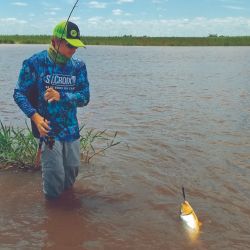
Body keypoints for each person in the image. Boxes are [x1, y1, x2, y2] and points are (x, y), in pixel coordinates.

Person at [13, 20, 90, 199]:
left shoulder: (78, 66)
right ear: (54, 41)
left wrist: (61, 95)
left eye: (76, 46)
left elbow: (85, 97)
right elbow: (19, 94)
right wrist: (36, 117)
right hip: (49, 133)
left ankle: (67, 204)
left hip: (71, 129)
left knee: (71, 172)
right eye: (69, 45)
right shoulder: (34, 63)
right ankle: (53, 214)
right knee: (54, 178)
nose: (73, 49)